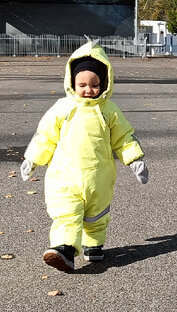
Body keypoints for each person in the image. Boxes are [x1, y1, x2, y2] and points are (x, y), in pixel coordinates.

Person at [19, 41, 147, 272]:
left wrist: (134, 160)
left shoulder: (109, 111)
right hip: (64, 176)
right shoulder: (61, 108)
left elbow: (124, 138)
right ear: (72, 82)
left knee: (96, 215)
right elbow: (45, 136)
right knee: (67, 214)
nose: (88, 90)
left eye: (95, 84)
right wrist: (33, 159)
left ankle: (94, 245)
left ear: (105, 82)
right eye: (82, 85)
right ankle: (64, 249)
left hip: (99, 176)